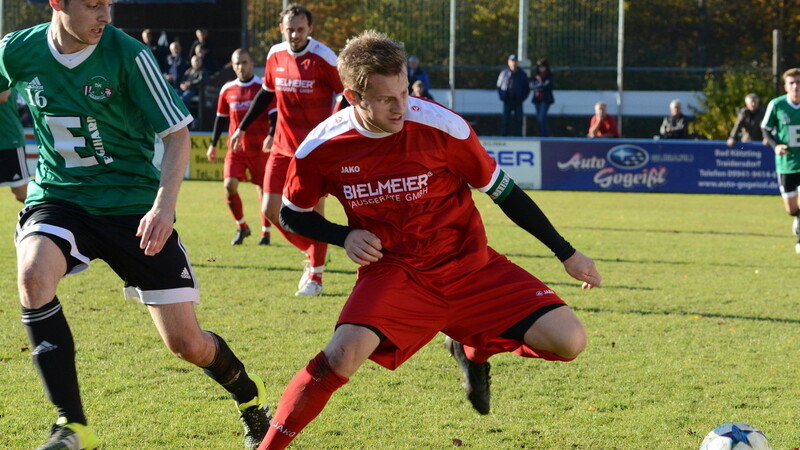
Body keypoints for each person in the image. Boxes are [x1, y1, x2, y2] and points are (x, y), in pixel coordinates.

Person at [257, 30, 601, 450]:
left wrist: (566, 253)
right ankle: (269, 445)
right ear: (352, 97)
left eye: (404, 91)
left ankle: (472, 348)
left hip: (469, 265)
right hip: (395, 273)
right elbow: (292, 213)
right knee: (342, 355)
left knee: (570, 341)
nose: (402, 106)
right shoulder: (321, 147)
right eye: (387, 99)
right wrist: (342, 235)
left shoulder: (442, 126)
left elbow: (504, 192)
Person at [0, 2, 271, 449]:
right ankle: (73, 426)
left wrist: (164, 207)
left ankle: (248, 393)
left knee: (186, 343)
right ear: (57, 3)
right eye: (91, 4)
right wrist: (13, 163)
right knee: (32, 276)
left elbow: (177, 133)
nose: (104, 14)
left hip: (134, 207)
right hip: (60, 196)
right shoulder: (17, 50)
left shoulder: (129, 56)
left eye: (108, 2)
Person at [230, 3, 344, 296]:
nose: (294, 35)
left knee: (313, 214)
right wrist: (242, 127)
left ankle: (315, 279)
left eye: (300, 29)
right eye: (289, 29)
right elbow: (267, 92)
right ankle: (312, 251)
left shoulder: (323, 57)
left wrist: (334, 129)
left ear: (310, 29)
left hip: (315, 151)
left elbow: (346, 94)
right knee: (270, 209)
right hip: (281, 146)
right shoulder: (274, 54)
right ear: (282, 29)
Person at [208, 49, 278, 246]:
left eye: (245, 62)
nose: (241, 67)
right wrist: (213, 145)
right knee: (229, 186)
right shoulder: (227, 89)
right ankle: (242, 226)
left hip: (260, 150)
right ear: (232, 65)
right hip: (236, 150)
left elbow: (274, 115)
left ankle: (266, 234)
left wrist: (272, 135)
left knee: (264, 192)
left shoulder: (263, 87)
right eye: (237, 63)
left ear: (251, 62)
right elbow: (221, 119)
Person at [761, 68, 800, 254]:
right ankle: (797, 217)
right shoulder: (777, 105)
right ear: (785, 86)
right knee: (791, 208)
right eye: (792, 83)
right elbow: (766, 129)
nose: (796, 86)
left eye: (799, 82)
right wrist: (775, 146)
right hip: (786, 164)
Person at [0, 88, 30, 203]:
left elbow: (3, 96)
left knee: (21, 194)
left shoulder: (3, 70)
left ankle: (46, 217)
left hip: (8, 139)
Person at [496, 54, 530, 137]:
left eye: (515, 61)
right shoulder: (504, 73)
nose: (513, 63)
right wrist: (502, 96)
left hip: (518, 101)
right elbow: (499, 86)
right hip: (507, 100)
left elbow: (527, 88)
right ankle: (504, 137)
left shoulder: (522, 74)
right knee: (505, 120)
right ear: (508, 62)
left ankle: (519, 137)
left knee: (519, 120)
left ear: (517, 62)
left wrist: (522, 97)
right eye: (512, 61)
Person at [530, 58, 554, 137]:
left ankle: (544, 135)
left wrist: (538, 87)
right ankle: (541, 134)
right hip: (537, 99)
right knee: (539, 119)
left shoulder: (549, 76)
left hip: (545, 99)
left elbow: (547, 85)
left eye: (543, 66)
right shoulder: (535, 76)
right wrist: (539, 86)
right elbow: (531, 85)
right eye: (540, 66)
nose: (541, 68)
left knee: (541, 117)